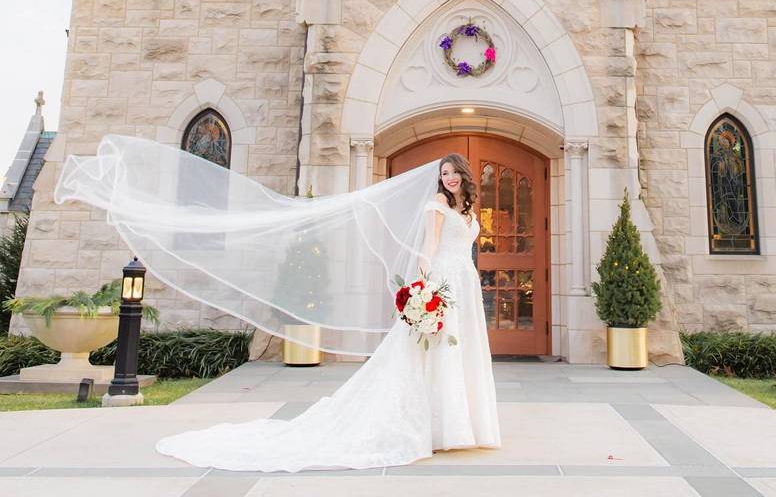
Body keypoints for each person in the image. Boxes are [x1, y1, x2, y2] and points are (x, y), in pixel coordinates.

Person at [50, 135, 500, 472]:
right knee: (430, 354)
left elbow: (465, 248)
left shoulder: (468, 212)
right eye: (443, 174)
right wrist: (422, 290)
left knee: (457, 355)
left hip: (463, 284)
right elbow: (426, 249)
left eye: (453, 173)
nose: (449, 179)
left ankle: (459, 423)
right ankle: (437, 427)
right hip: (440, 284)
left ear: (463, 175)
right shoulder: (437, 208)